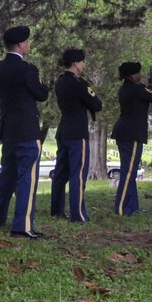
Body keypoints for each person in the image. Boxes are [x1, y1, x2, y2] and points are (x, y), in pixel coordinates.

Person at [0, 26, 51, 238]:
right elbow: (41, 95)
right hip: (26, 129)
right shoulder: (28, 69)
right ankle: (22, 225)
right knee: (27, 178)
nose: (28, 45)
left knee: (7, 175)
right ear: (22, 44)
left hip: (8, 129)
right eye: (27, 42)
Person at [51, 48, 103, 223]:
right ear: (75, 63)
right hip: (77, 132)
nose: (83, 65)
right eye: (82, 62)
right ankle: (78, 214)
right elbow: (96, 104)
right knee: (78, 174)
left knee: (60, 174)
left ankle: (56, 210)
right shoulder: (79, 83)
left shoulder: (60, 82)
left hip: (63, 130)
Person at [110, 61, 152, 215]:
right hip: (131, 133)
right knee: (128, 172)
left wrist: (148, 90)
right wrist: (150, 90)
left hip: (125, 132)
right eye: (138, 73)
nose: (140, 75)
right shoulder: (137, 89)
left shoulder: (126, 88)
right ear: (131, 76)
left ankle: (132, 206)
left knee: (131, 171)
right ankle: (121, 207)